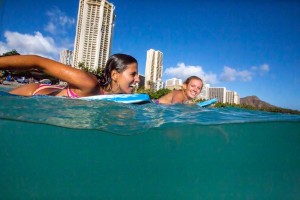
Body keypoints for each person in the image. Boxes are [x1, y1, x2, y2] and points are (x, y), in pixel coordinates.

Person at [0, 54, 140, 97]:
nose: (138, 79)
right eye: (133, 74)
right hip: (31, 93)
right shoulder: (88, 83)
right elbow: (38, 61)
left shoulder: (117, 97)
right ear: (115, 74)